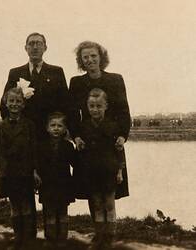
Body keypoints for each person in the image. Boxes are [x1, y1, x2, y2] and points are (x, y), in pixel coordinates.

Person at [69, 40, 130, 200]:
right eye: (85, 57)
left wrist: (123, 136)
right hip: (87, 140)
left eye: (93, 55)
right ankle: (97, 225)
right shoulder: (76, 83)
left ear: (101, 57)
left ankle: (109, 225)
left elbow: (124, 111)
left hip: (111, 140)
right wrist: (76, 136)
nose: (90, 60)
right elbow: (73, 114)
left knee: (110, 194)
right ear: (81, 60)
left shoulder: (115, 80)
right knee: (92, 193)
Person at [75, 88, 125, 249]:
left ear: (106, 106)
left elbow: (120, 151)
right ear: (87, 107)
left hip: (109, 171)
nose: (95, 110)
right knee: (96, 203)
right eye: (91, 106)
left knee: (109, 204)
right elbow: (80, 154)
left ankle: (109, 237)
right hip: (91, 172)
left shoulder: (113, 126)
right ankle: (99, 235)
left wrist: (119, 171)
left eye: (98, 106)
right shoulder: (83, 126)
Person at [0, 87, 41, 250]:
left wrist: (35, 171)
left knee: (27, 204)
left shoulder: (29, 125)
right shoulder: (1, 127)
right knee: (14, 206)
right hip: (9, 172)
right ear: (6, 104)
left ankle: (28, 238)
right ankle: (18, 237)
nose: (14, 104)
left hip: (25, 171)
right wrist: (1, 173)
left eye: (18, 101)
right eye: (11, 101)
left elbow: (35, 150)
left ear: (23, 105)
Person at [0, 32, 69, 139]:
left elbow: (65, 104)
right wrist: (13, 129)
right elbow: (4, 105)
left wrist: (61, 130)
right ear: (25, 48)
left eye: (39, 43)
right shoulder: (15, 73)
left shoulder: (56, 72)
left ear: (45, 48)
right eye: (31, 44)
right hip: (23, 135)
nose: (35, 47)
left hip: (49, 135)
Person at [37, 112, 75, 248]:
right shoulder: (41, 146)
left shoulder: (68, 146)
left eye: (60, 125)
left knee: (62, 211)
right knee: (49, 212)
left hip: (63, 185)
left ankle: (62, 238)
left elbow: (76, 164)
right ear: (47, 128)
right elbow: (37, 164)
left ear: (65, 129)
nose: (56, 128)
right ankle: (50, 238)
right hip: (47, 185)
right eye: (53, 125)